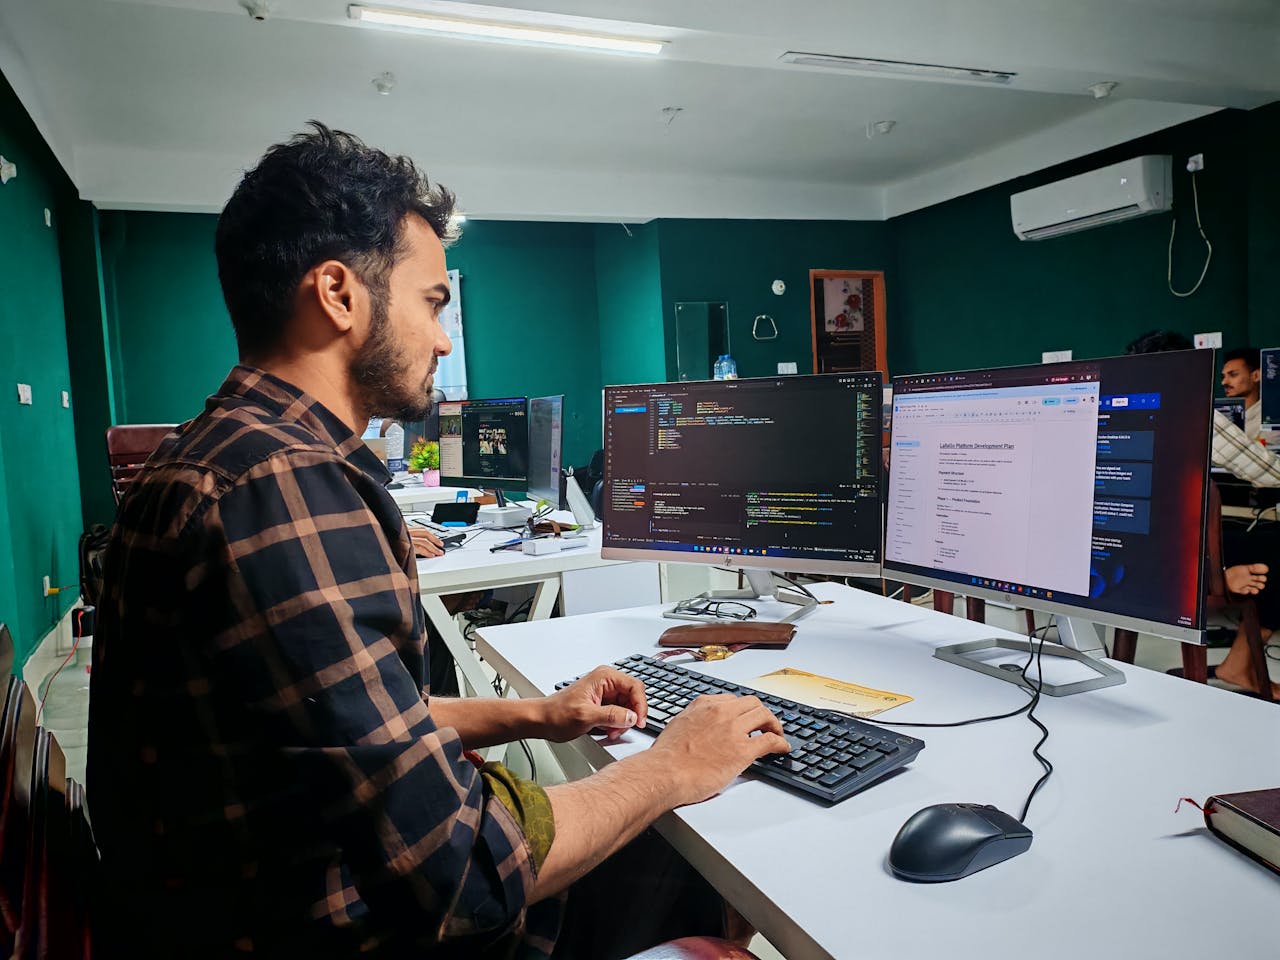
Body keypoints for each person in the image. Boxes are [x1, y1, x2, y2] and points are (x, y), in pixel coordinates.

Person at [87, 123, 789, 959]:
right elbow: (464, 875)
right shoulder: (287, 489)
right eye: (431, 302)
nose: (444, 338)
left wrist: (536, 713)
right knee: (690, 852)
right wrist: (672, 765)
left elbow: (352, 727)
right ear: (340, 295)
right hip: (343, 929)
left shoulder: (213, 455)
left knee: (661, 849)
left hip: (236, 901)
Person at [1123, 330, 1278, 696]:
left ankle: (1225, 585)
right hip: (1182, 551)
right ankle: (1238, 660)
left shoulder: (1121, 408)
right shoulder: (1193, 411)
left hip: (1132, 547)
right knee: (1274, 553)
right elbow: (1267, 473)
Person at [1220, 346, 1263, 440]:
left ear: (1256, 376)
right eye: (1223, 376)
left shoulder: (1270, 419)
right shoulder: (1220, 417)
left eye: (1233, 375)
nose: (1224, 382)